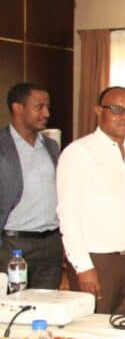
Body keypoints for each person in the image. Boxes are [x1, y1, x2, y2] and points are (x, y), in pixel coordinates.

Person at [57, 87, 125, 313]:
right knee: (93, 337)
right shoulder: (79, 152)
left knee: (120, 338)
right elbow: (68, 215)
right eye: (116, 109)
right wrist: (83, 267)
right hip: (97, 261)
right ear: (98, 111)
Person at [0, 82, 62, 289]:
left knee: (45, 312)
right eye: (39, 106)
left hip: (51, 245)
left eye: (48, 107)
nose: (46, 113)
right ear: (18, 108)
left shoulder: (51, 146)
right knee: (12, 312)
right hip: (14, 245)